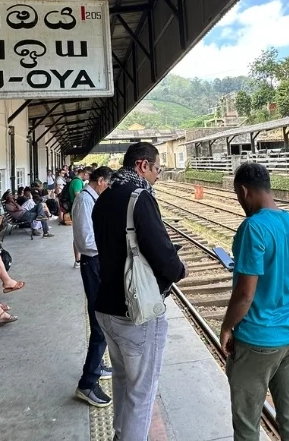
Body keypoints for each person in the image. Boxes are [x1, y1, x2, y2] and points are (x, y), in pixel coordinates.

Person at [93, 142, 188, 441]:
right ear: (142, 165)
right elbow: (161, 253)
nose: (158, 175)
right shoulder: (140, 197)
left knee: (123, 379)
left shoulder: (103, 198)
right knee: (142, 393)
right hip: (135, 312)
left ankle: (119, 434)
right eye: (157, 168)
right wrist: (179, 269)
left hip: (105, 306)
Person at [219, 163, 289, 441]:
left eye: (238, 195)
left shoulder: (253, 228)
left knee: (247, 423)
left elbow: (245, 294)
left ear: (244, 191)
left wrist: (226, 327)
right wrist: (276, 270)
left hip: (258, 339)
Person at [72, 166, 114, 407]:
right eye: (107, 184)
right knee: (100, 321)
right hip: (93, 263)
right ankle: (87, 383)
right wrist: (111, 245)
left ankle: (97, 364)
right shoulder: (85, 201)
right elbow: (87, 241)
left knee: (102, 318)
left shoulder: (90, 199)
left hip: (96, 263)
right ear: (100, 181)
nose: (108, 188)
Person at [69, 167, 92, 267]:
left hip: (75, 209)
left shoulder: (75, 180)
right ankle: (78, 259)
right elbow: (78, 195)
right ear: (85, 173)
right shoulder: (78, 182)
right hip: (78, 210)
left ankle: (78, 259)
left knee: (78, 234)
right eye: (89, 175)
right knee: (78, 235)